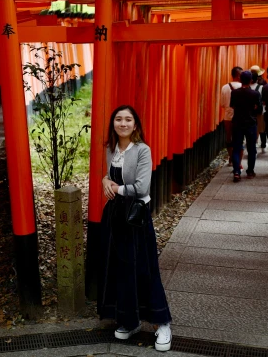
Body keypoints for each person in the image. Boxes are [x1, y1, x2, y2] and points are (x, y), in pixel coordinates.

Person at [99, 106, 172, 352]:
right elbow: (107, 175)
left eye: (128, 119)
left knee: (144, 268)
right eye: (118, 119)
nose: (123, 123)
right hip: (114, 216)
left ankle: (162, 324)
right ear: (113, 124)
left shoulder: (142, 150)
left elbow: (141, 188)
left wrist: (115, 187)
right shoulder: (110, 148)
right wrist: (104, 180)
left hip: (135, 218)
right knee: (121, 269)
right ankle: (130, 321)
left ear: (135, 125)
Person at [229, 70, 261, 182]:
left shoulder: (234, 93)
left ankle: (236, 172)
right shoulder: (255, 94)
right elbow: (260, 110)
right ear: (251, 80)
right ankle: (250, 171)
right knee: (251, 148)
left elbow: (232, 106)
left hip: (237, 122)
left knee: (237, 148)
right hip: (251, 123)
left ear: (240, 79)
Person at [220, 66, 243, 166]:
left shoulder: (225, 87)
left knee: (229, 138)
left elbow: (222, 104)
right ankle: (238, 160)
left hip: (227, 116)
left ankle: (231, 158)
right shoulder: (242, 86)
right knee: (239, 138)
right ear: (238, 75)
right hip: (240, 116)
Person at [249, 65, 268, 150]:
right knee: (262, 128)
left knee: (251, 127)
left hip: (249, 111)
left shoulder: (246, 87)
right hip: (260, 110)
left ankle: (253, 142)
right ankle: (263, 143)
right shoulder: (262, 87)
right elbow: (265, 99)